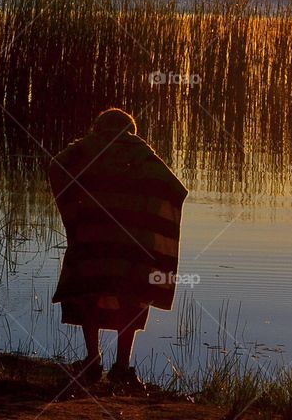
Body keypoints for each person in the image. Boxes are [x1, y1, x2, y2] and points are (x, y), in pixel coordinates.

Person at [48, 108, 188, 386]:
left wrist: (74, 208)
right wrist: (147, 216)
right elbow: (174, 188)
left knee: (90, 290)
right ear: (129, 129)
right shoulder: (140, 151)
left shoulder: (87, 147)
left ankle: (91, 360)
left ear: (98, 127)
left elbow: (56, 167)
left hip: (93, 234)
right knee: (132, 296)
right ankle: (122, 366)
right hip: (132, 240)